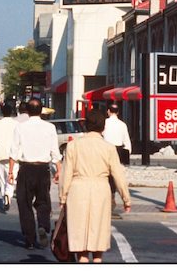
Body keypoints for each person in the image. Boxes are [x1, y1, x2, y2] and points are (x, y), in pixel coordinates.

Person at [59, 109, 131, 263]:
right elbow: (118, 175)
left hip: (77, 189)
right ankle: (97, 260)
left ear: (85, 125)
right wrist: (126, 199)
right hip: (101, 189)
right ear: (103, 127)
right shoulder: (109, 148)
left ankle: (83, 260)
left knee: (80, 235)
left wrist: (63, 197)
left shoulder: (73, 146)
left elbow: (66, 174)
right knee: (98, 232)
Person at [8, 98, 62, 250]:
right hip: (43, 169)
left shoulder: (20, 127)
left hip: (26, 169)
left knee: (24, 203)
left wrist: (11, 171)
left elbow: (14, 151)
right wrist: (59, 169)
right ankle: (43, 226)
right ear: (41, 110)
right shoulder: (50, 128)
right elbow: (54, 151)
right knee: (43, 200)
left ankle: (30, 238)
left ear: (27, 111)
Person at [102, 103, 132, 208]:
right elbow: (127, 141)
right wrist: (127, 154)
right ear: (118, 112)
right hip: (118, 150)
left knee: (106, 174)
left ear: (108, 111)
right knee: (116, 175)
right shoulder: (122, 124)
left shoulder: (105, 123)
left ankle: (107, 196)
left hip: (105, 149)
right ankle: (113, 195)